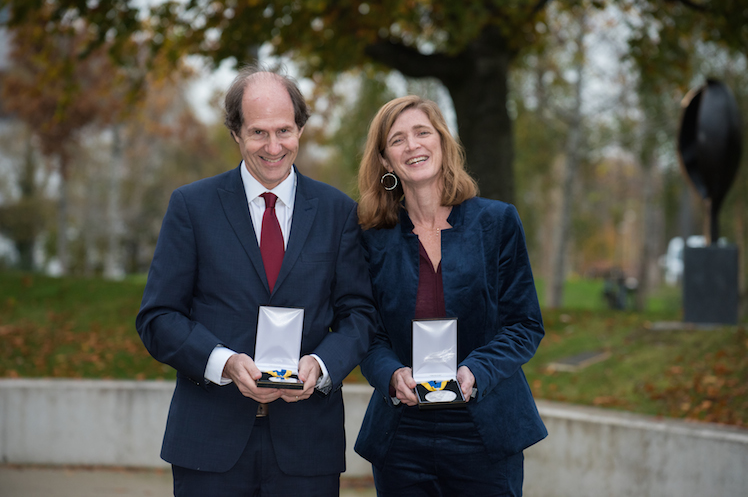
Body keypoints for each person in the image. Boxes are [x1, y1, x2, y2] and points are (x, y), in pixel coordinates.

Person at [135, 64, 377, 496]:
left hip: (307, 446)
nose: (273, 146)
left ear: (300, 130)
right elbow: (158, 317)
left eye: (284, 130)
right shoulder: (192, 206)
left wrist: (321, 366)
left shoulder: (338, 211)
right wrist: (223, 362)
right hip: (209, 442)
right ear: (236, 134)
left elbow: (359, 315)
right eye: (258, 132)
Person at [353, 95, 548, 496]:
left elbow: (524, 324)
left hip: (486, 426)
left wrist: (477, 369)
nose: (413, 146)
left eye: (423, 132)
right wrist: (390, 374)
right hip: (402, 433)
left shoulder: (497, 222)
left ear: (442, 142)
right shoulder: (371, 238)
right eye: (398, 140)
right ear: (386, 161)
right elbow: (364, 331)